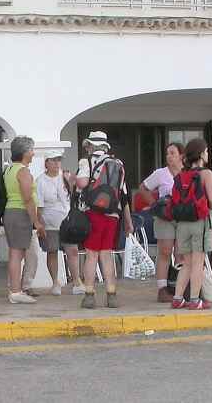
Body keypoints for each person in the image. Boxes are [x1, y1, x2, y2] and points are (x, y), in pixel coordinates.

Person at [76, 131, 134, 309]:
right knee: (106, 254)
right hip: (113, 215)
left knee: (91, 254)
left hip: (93, 213)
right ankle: (111, 294)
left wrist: (73, 179)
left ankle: (89, 295)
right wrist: (128, 221)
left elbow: (82, 183)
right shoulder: (118, 163)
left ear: (91, 146)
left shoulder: (86, 162)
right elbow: (123, 195)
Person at [171, 138, 212, 311]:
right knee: (199, 262)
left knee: (187, 263)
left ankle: (177, 298)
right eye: (206, 151)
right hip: (200, 221)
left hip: (182, 223)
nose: (208, 154)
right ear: (200, 154)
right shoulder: (206, 174)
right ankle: (194, 299)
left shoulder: (180, 175)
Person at [139, 142, 184, 303]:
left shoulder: (186, 173)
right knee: (165, 251)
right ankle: (162, 288)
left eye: (172, 153)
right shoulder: (160, 173)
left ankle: (180, 287)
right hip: (165, 216)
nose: (169, 156)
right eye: (167, 153)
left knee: (181, 252)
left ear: (181, 156)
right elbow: (143, 188)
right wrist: (154, 204)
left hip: (183, 216)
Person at [36, 150, 85, 296]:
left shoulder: (65, 176)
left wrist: (71, 182)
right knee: (52, 251)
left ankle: (76, 282)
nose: (57, 163)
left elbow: (75, 193)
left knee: (73, 251)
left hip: (68, 222)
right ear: (46, 163)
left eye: (59, 160)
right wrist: (40, 224)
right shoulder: (40, 181)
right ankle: (55, 282)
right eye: (53, 160)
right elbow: (39, 205)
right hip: (50, 222)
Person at [3, 137, 45, 304]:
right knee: (17, 253)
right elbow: (28, 199)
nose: (33, 153)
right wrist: (36, 222)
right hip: (20, 213)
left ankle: (15, 289)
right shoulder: (23, 171)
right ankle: (15, 291)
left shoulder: (10, 170)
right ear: (25, 152)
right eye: (32, 150)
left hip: (11, 211)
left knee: (15, 252)